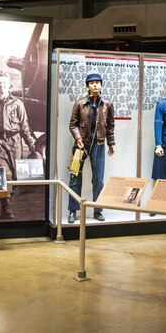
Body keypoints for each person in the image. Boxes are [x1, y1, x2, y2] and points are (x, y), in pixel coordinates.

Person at [0, 72, 38, 219]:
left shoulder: (18, 103)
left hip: (15, 142)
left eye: (4, 83)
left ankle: (9, 197)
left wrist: (31, 144)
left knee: (16, 175)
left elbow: (24, 125)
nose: (2, 85)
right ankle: (6, 205)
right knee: (5, 174)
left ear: (9, 85)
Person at [67, 73, 115, 223]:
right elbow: (72, 124)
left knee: (98, 179)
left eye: (97, 82)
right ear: (87, 86)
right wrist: (78, 138)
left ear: (101, 85)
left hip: (99, 144)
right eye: (92, 83)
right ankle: (72, 210)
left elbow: (111, 126)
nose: (95, 85)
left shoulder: (107, 104)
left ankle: (97, 209)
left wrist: (111, 143)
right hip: (81, 145)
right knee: (75, 176)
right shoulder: (79, 103)